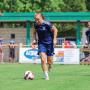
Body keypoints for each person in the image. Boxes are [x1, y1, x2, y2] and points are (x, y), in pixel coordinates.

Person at [31, 13, 58, 80]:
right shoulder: (36, 25)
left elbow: (55, 30)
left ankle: (50, 65)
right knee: (43, 59)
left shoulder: (47, 23)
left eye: (37, 19)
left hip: (49, 43)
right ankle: (46, 75)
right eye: (35, 19)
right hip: (41, 43)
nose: (36, 21)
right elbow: (34, 32)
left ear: (41, 18)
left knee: (49, 61)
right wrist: (35, 39)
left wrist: (54, 39)